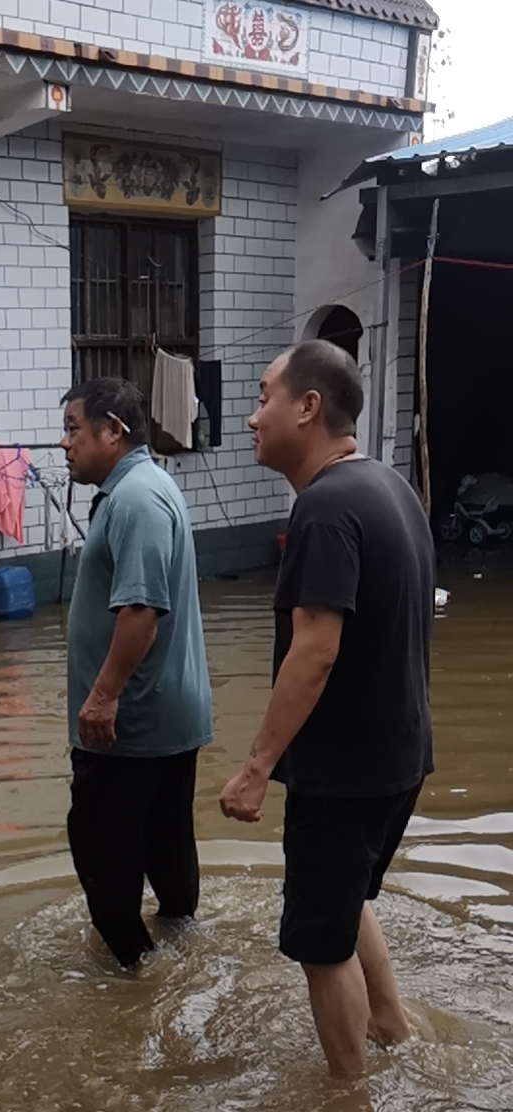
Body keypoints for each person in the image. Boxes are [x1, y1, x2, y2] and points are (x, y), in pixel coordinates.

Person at [219, 340, 435, 1078]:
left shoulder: (324, 508)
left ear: (308, 408)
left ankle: (349, 1092)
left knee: (320, 944)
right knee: (345, 902)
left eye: (263, 398)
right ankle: (394, 1028)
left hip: (345, 773)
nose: (252, 417)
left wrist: (257, 766)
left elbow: (314, 650)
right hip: (399, 758)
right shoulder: (389, 487)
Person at [61, 377, 213, 970]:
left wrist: (102, 697)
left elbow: (141, 611)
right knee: (167, 847)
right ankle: (182, 960)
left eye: (73, 429)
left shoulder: (135, 499)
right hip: (162, 717)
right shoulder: (147, 487)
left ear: (112, 431)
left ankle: (138, 978)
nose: (64, 443)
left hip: (131, 727)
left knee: (103, 863)